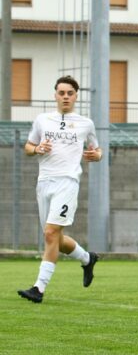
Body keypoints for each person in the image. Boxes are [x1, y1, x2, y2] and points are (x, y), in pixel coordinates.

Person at [17, 76, 101, 303]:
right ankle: (87, 258)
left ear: (76, 96)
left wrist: (96, 155)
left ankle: (38, 288)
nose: (65, 97)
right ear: (55, 95)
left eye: (70, 93)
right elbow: (27, 147)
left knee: (50, 233)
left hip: (68, 182)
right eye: (61, 92)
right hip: (44, 181)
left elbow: (98, 150)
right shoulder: (43, 120)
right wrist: (37, 149)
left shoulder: (86, 123)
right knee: (55, 237)